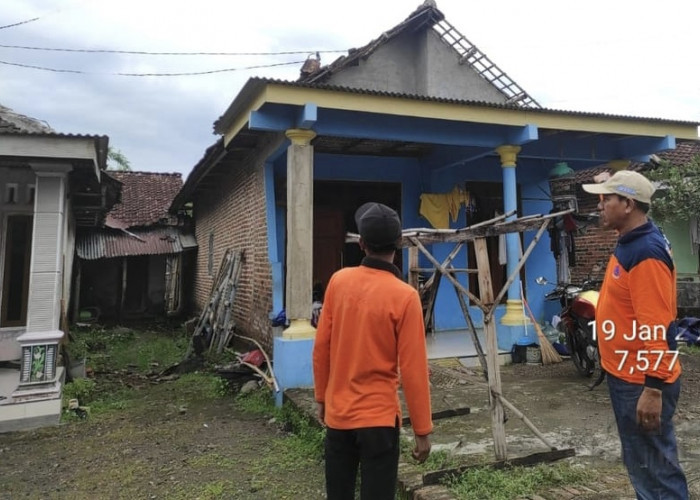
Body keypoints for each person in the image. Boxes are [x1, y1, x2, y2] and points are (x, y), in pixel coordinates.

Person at [312, 202, 432, 500]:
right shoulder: (405, 297)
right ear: (399, 244)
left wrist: (322, 398)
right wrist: (422, 430)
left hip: (339, 417)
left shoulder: (338, 282)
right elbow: (414, 369)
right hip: (379, 422)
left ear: (361, 244)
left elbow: (321, 347)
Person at [583, 170, 688, 499]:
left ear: (628, 204)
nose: (600, 207)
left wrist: (653, 389)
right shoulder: (633, 238)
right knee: (643, 465)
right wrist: (610, 183)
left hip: (641, 381)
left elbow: (658, 325)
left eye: (607, 200)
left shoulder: (645, 252)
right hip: (627, 375)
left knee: (656, 470)